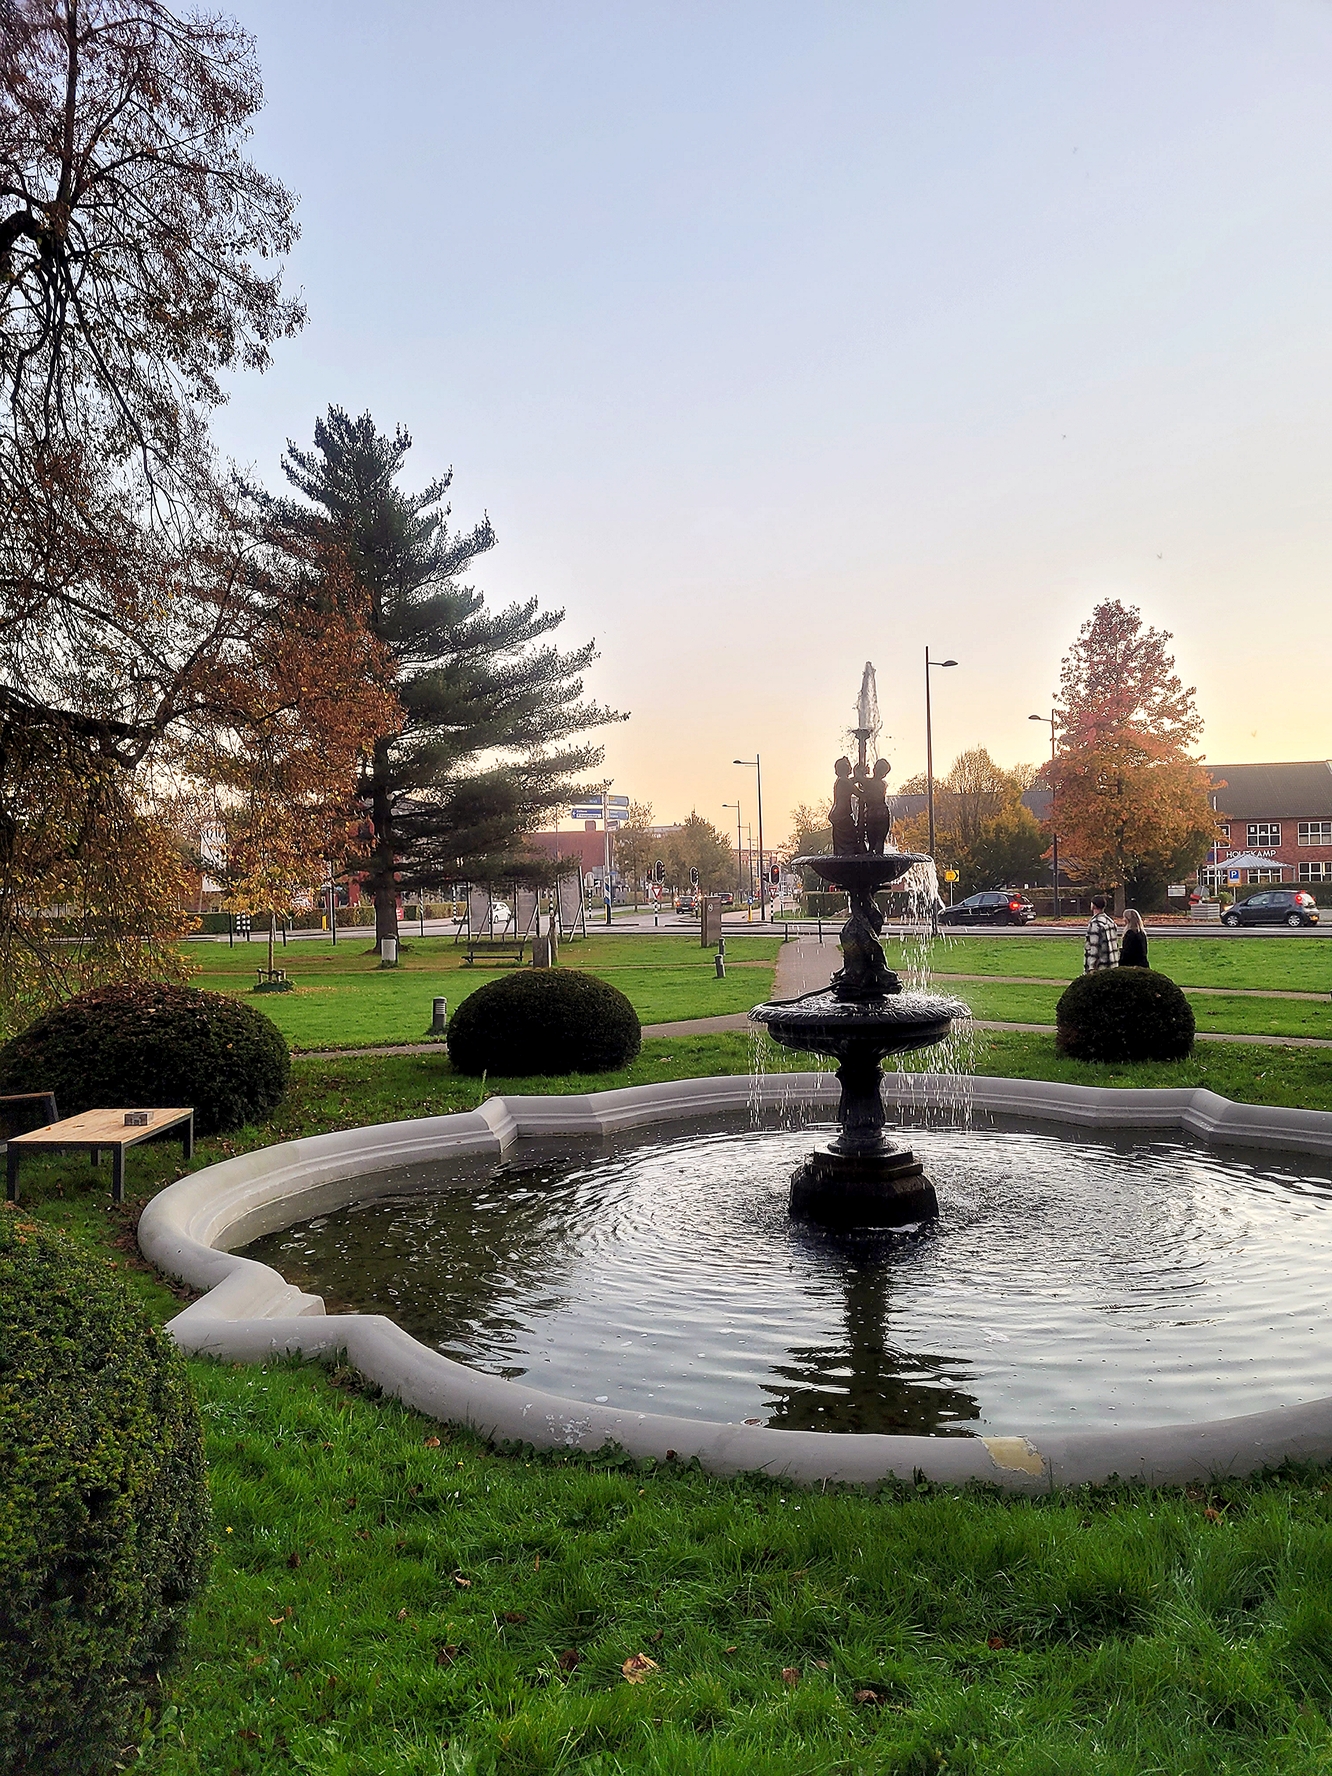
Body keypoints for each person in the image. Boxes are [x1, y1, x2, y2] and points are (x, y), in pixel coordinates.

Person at [1084, 894, 1120, 971]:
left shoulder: (1095, 923)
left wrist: (1091, 966)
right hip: (1111, 963)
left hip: (1100, 965)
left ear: (1093, 905)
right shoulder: (1110, 921)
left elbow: (1094, 946)